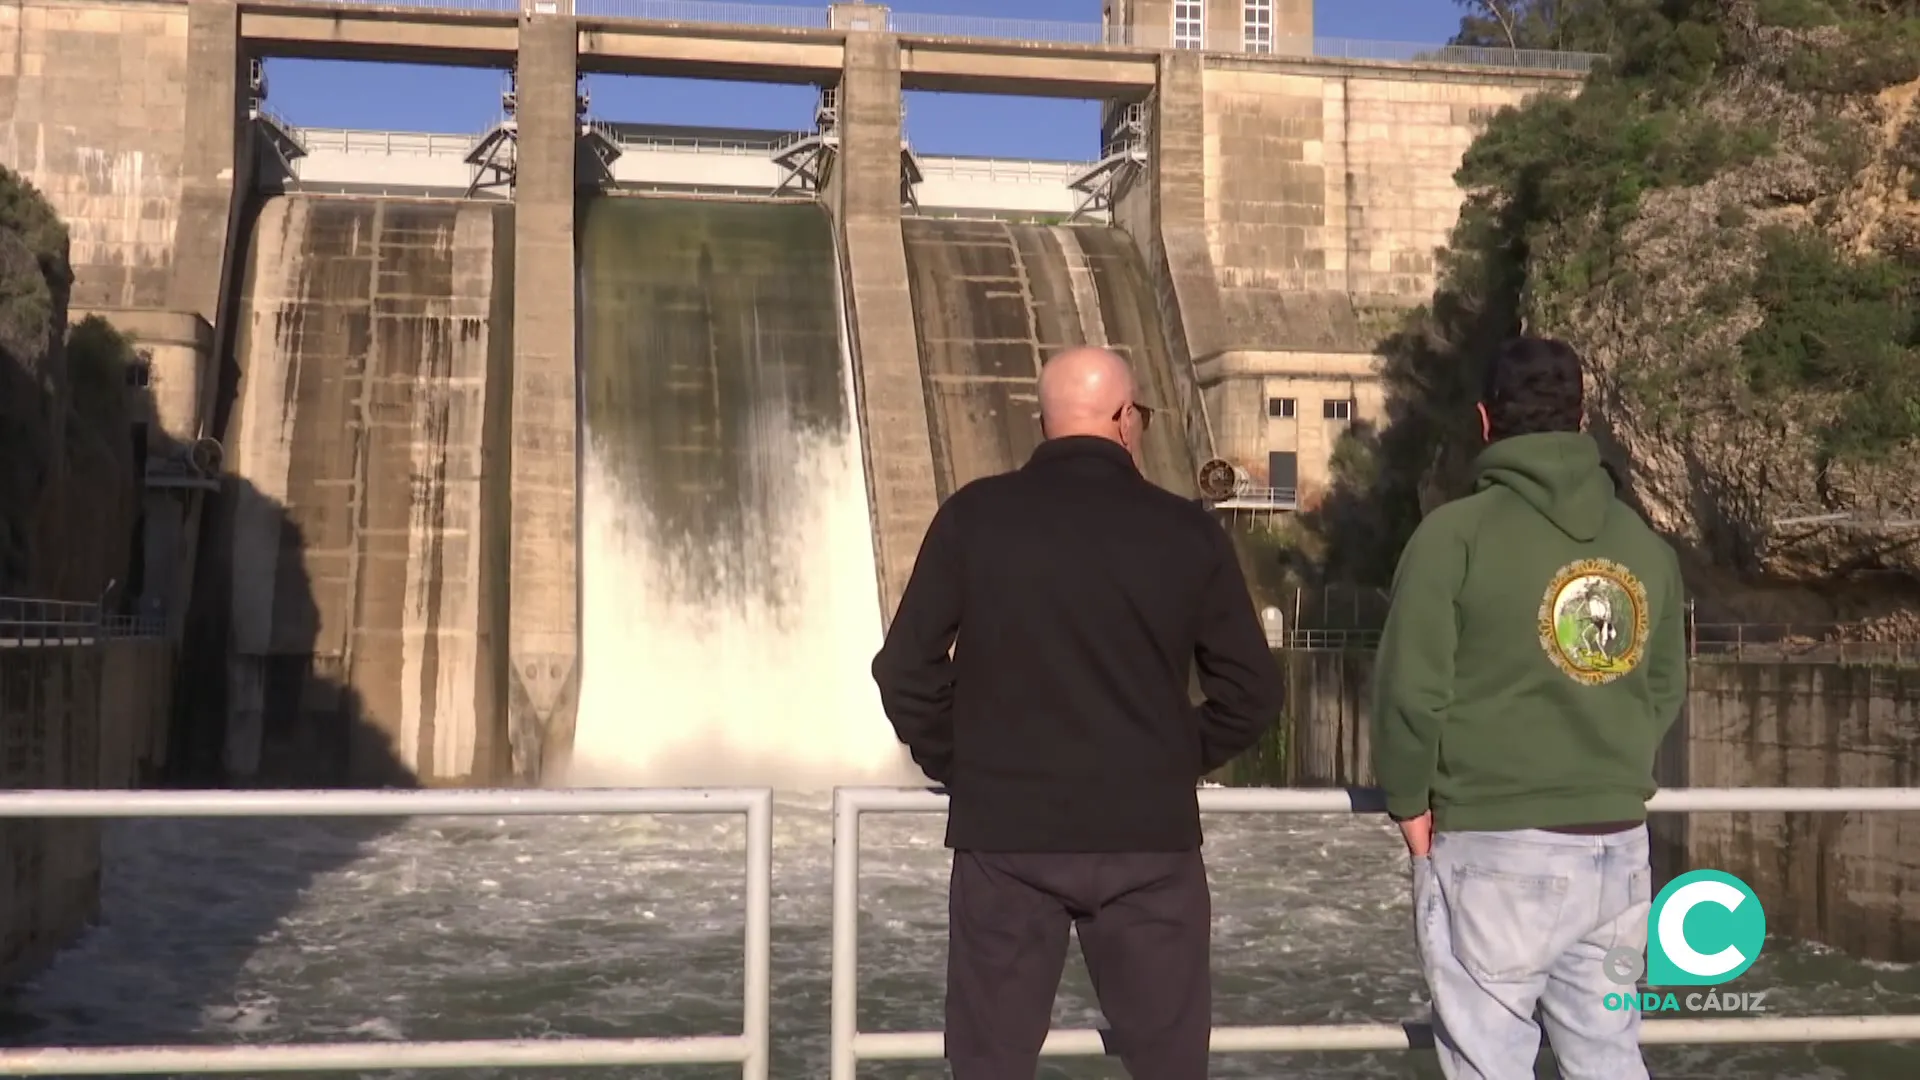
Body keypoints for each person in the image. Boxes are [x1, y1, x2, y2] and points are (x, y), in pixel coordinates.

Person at [871, 345, 1284, 1080]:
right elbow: (1252, 692)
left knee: (989, 1067)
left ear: (1046, 423)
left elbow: (905, 671)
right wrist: (1168, 760)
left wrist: (966, 764)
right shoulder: (1187, 531)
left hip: (1006, 838)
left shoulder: (974, 517)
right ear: (1125, 419)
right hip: (1148, 843)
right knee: (1170, 1069)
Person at [1370, 336, 1689, 1080]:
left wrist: (1409, 799)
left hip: (1496, 839)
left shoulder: (1454, 536)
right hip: (1618, 844)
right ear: (1582, 418)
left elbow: (1411, 689)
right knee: (1607, 1056)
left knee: (1490, 1059)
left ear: (1486, 421)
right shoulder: (1645, 546)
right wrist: (1609, 763)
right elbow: (1665, 684)